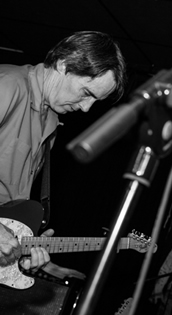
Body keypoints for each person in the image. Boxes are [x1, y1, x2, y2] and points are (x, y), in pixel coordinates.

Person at [0, 31, 126, 275]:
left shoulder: (51, 121)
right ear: (63, 64)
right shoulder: (7, 85)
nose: (87, 108)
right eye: (87, 93)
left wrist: (18, 251)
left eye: (95, 101)